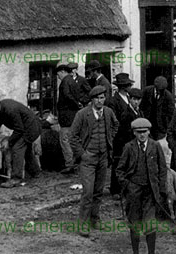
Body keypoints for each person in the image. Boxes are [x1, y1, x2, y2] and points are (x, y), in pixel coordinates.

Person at [116, 118, 167, 254]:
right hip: (134, 193)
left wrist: (161, 190)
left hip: (150, 193)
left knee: (150, 226)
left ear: (149, 132)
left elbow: (162, 169)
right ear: (134, 133)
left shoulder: (155, 146)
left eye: (144, 132)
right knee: (135, 225)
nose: (142, 135)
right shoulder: (128, 148)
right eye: (139, 132)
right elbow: (119, 170)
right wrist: (128, 186)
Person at [69, 86, 118, 237]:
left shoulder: (108, 112)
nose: (100, 100)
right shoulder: (82, 114)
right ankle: (83, 224)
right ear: (92, 99)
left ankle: (95, 219)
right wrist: (82, 154)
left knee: (98, 191)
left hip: (103, 157)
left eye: (102, 97)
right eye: (97, 98)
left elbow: (116, 125)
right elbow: (72, 136)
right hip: (88, 158)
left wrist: (109, 139)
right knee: (88, 192)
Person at [0, 96, 41, 187]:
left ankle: (16, 178)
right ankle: (35, 172)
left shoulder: (11, 109)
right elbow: (1, 118)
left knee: (17, 148)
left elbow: (19, 129)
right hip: (28, 127)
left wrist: (9, 141)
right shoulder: (3, 105)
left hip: (30, 128)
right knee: (26, 150)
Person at [108, 73, 134, 196]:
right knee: (118, 162)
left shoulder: (129, 98)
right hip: (119, 136)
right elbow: (114, 120)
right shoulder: (114, 101)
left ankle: (126, 186)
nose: (130, 87)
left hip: (129, 135)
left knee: (128, 160)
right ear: (123, 87)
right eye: (128, 85)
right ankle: (115, 189)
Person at [56, 62, 80, 174]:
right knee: (73, 139)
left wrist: (75, 104)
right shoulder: (73, 81)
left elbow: (67, 96)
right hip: (74, 116)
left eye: (58, 75)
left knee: (65, 140)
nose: (58, 77)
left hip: (66, 117)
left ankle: (70, 164)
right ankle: (75, 163)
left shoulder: (65, 82)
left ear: (62, 72)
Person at [141, 76, 175, 141]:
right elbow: (141, 106)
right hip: (147, 124)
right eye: (158, 89)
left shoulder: (168, 96)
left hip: (161, 127)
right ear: (155, 87)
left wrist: (167, 127)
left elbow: (171, 113)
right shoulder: (146, 91)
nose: (160, 91)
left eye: (162, 90)